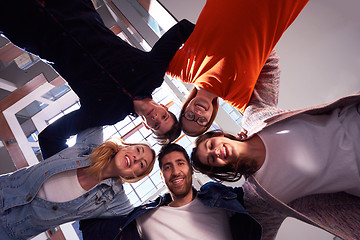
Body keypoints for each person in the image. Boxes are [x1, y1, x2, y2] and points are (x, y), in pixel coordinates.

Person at [190, 51, 360, 239]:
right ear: (219, 169)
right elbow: (263, 235)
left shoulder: (255, 118)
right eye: (212, 159)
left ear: (221, 136)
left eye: (211, 145)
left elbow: (268, 59)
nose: (216, 152)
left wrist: (209, 88)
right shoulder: (259, 197)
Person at [0, 0, 195, 159]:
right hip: (71, 7)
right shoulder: (153, 73)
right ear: (164, 107)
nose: (156, 118)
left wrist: (68, 176)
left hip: (27, 27)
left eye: (156, 125)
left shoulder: (107, 114)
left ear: (147, 126)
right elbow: (182, 29)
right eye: (164, 117)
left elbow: (51, 137)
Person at [166, 0, 309, 136]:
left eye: (190, 115)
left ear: (186, 107)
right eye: (201, 121)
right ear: (210, 118)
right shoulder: (240, 99)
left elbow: (151, 62)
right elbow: (263, 114)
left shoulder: (178, 69)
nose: (197, 114)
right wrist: (251, 130)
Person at [79, 143, 262, 240]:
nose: (175, 172)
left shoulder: (221, 200)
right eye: (167, 167)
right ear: (162, 177)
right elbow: (91, 231)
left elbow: (260, 192)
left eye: (180, 164)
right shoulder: (145, 217)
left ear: (190, 169)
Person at [0, 127, 156, 240]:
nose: (136, 158)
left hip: (8, 232)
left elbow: (143, 220)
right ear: (126, 146)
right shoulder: (89, 145)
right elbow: (97, 105)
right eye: (137, 150)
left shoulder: (115, 200)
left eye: (141, 165)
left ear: (134, 175)